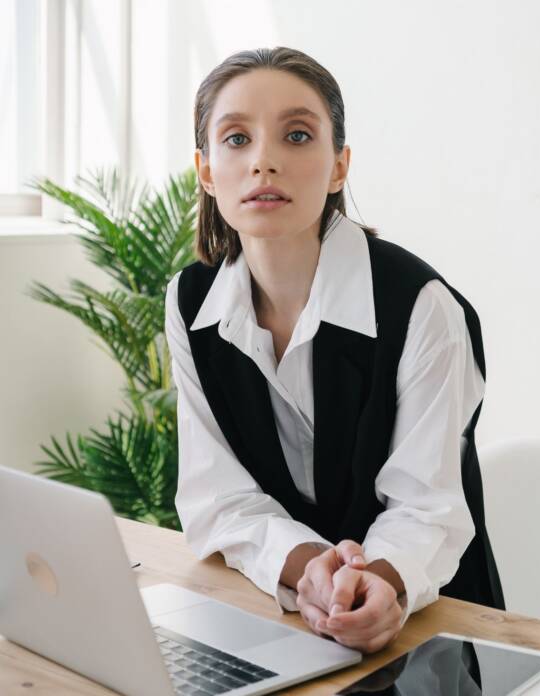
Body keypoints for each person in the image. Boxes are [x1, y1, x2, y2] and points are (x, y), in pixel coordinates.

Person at [164, 46, 505, 655]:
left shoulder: (420, 305)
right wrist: (313, 571)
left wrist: (369, 586)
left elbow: (427, 510)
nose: (264, 160)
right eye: (237, 139)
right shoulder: (190, 304)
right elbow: (217, 496)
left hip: (430, 630)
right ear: (207, 172)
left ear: (339, 167)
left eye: (297, 135)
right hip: (285, 615)